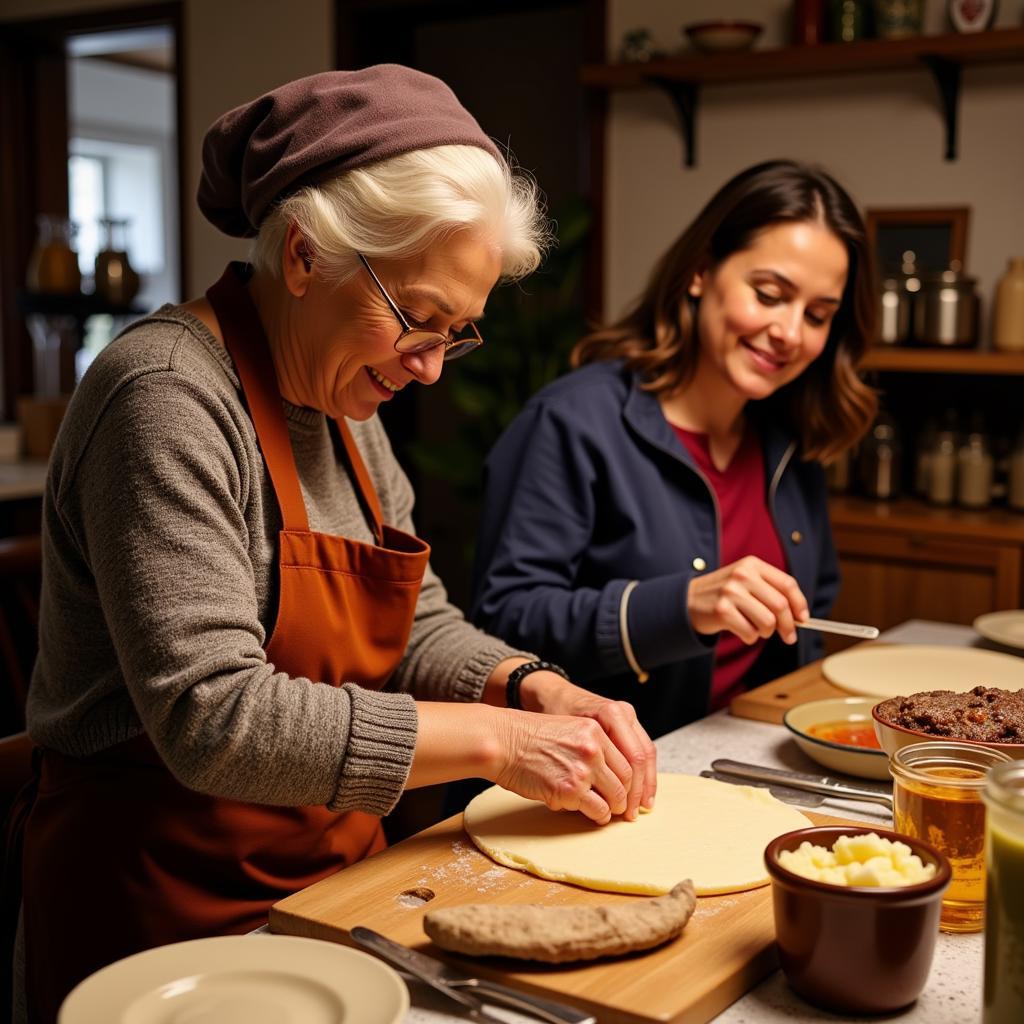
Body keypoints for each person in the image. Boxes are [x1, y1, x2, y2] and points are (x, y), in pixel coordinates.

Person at [10, 66, 656, 1023]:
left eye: (459, 334)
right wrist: (500, 742)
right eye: (420, 321)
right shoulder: (166, 396)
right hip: (161, 925)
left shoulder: (343, 401)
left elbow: (419, 623)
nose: (432, 368)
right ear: (307, 256)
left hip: (327, 898)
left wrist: (532, 687)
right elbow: (213, 716)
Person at [471, 160, 877, 738]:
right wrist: (679, 606)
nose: (789, 331)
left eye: (817, 315)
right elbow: (501, 623)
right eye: (768, 295)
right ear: (700, 272)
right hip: (602, 770)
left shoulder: (791, 437)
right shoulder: (571, 421)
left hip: (746, 754)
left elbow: (814, 607)